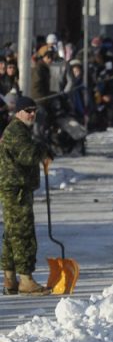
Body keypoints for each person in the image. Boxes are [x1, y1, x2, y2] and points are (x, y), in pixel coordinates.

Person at [0, 96, 51, 295]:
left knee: (12, 233)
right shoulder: (16, 131)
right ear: (19, 112)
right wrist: (43, 150)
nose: (32, 114)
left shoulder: (18, 130)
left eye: (34, 110)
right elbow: (28, 155)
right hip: (16, 189)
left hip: (14, 187)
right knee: (23, 233)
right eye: (28, 110)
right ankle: (26, 280)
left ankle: (10, 278)